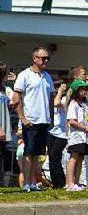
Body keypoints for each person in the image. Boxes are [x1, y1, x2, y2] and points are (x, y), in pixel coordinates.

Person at [12, 46, 55, 192]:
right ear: (34, 58)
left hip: (44, 120)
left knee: (37, 154)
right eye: (43, 58)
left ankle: (32, 183)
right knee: (28, 153)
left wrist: (51, 118)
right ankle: (25, 184)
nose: (46, 61)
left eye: (47, 58)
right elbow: (16, 99)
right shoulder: (24, 75)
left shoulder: (47, 77)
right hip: (30, 120)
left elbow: (50, 99)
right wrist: (23, 118)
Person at [66, 80, 88, 192]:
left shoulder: (84, 105)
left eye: (86, 89)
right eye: (83, 89)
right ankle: (70, 183)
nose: (86, 91)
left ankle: (76, 182)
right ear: (77, 90)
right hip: (77, 136)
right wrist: (85, 128)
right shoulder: (73, 104)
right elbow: (71, 121)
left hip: (85, 137)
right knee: (73, 158)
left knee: (80, 158)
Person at [47, 79, 69, 188]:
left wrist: (60, 92)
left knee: (55, 156)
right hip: (51, 131)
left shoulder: (65, 99)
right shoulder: (50, 98)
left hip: (62, 134)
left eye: (58, 86)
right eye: (54, 87)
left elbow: (57, 103)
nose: (55, 89)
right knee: (51, 158)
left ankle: (61, 182)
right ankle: (55, 183)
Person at [0, 63, 14, 183]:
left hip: (4, 128)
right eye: (4, 74)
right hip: (0, 129)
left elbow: (12, 102)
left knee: (3, 155)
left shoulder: (4, 89)